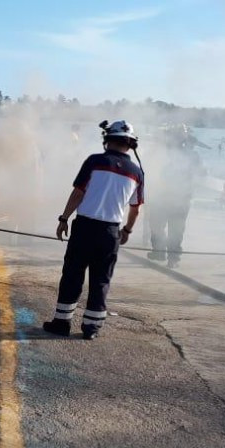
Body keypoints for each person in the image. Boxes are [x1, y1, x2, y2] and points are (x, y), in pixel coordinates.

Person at [43, 120, 144, 340]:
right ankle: (91, 328)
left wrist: (64, 218)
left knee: (72, 275)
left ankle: (61, 323)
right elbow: (135, 209)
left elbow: (78, 193)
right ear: (131, 144)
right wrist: (127, 231)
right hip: (110, 232)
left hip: (85, 228)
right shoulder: (137, 172)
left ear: (107, 139)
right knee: (101, 280)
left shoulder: (94, 161)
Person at [148, 124, 204, 267]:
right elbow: (201, 174)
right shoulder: (192, 155)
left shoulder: (164, 153)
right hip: (179, 197)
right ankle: (172, 258)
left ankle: (162, 253)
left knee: (160, 226)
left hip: (168, 196)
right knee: (175, 229)